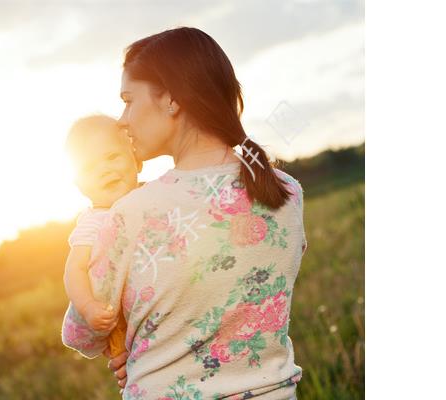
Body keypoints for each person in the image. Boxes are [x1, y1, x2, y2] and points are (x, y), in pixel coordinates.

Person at [61, 27, 307, 400]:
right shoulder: (287, 190)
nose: (123, 120)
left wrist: (139, 352)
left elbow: (82, 333)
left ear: (172, 99)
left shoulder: (130, 214)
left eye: (129, 100)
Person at [62, 114, 144, 359]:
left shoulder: (152, 197)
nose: (104, 170)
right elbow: (74, 269)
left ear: (136, 160)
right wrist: (88, 307)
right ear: (79, 184)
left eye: (111, 157)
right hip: (113, 312)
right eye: (89, 167)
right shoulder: (93, 222)